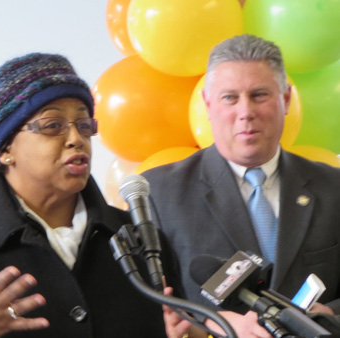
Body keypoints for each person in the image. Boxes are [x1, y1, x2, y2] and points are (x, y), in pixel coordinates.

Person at [0, 53, 187, 338]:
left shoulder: (145, 244)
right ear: (5, 149)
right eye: (53, 126)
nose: (76, 139)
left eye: (84, 126)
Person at [142, 34, 340, 338]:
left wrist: (331, 316)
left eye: (259, 95)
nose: (245, 112)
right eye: (229, 97)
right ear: (208, 105)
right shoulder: (159, 194)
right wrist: (212, 325)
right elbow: (151, 308)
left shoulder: (333, 188)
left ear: (286, 99)